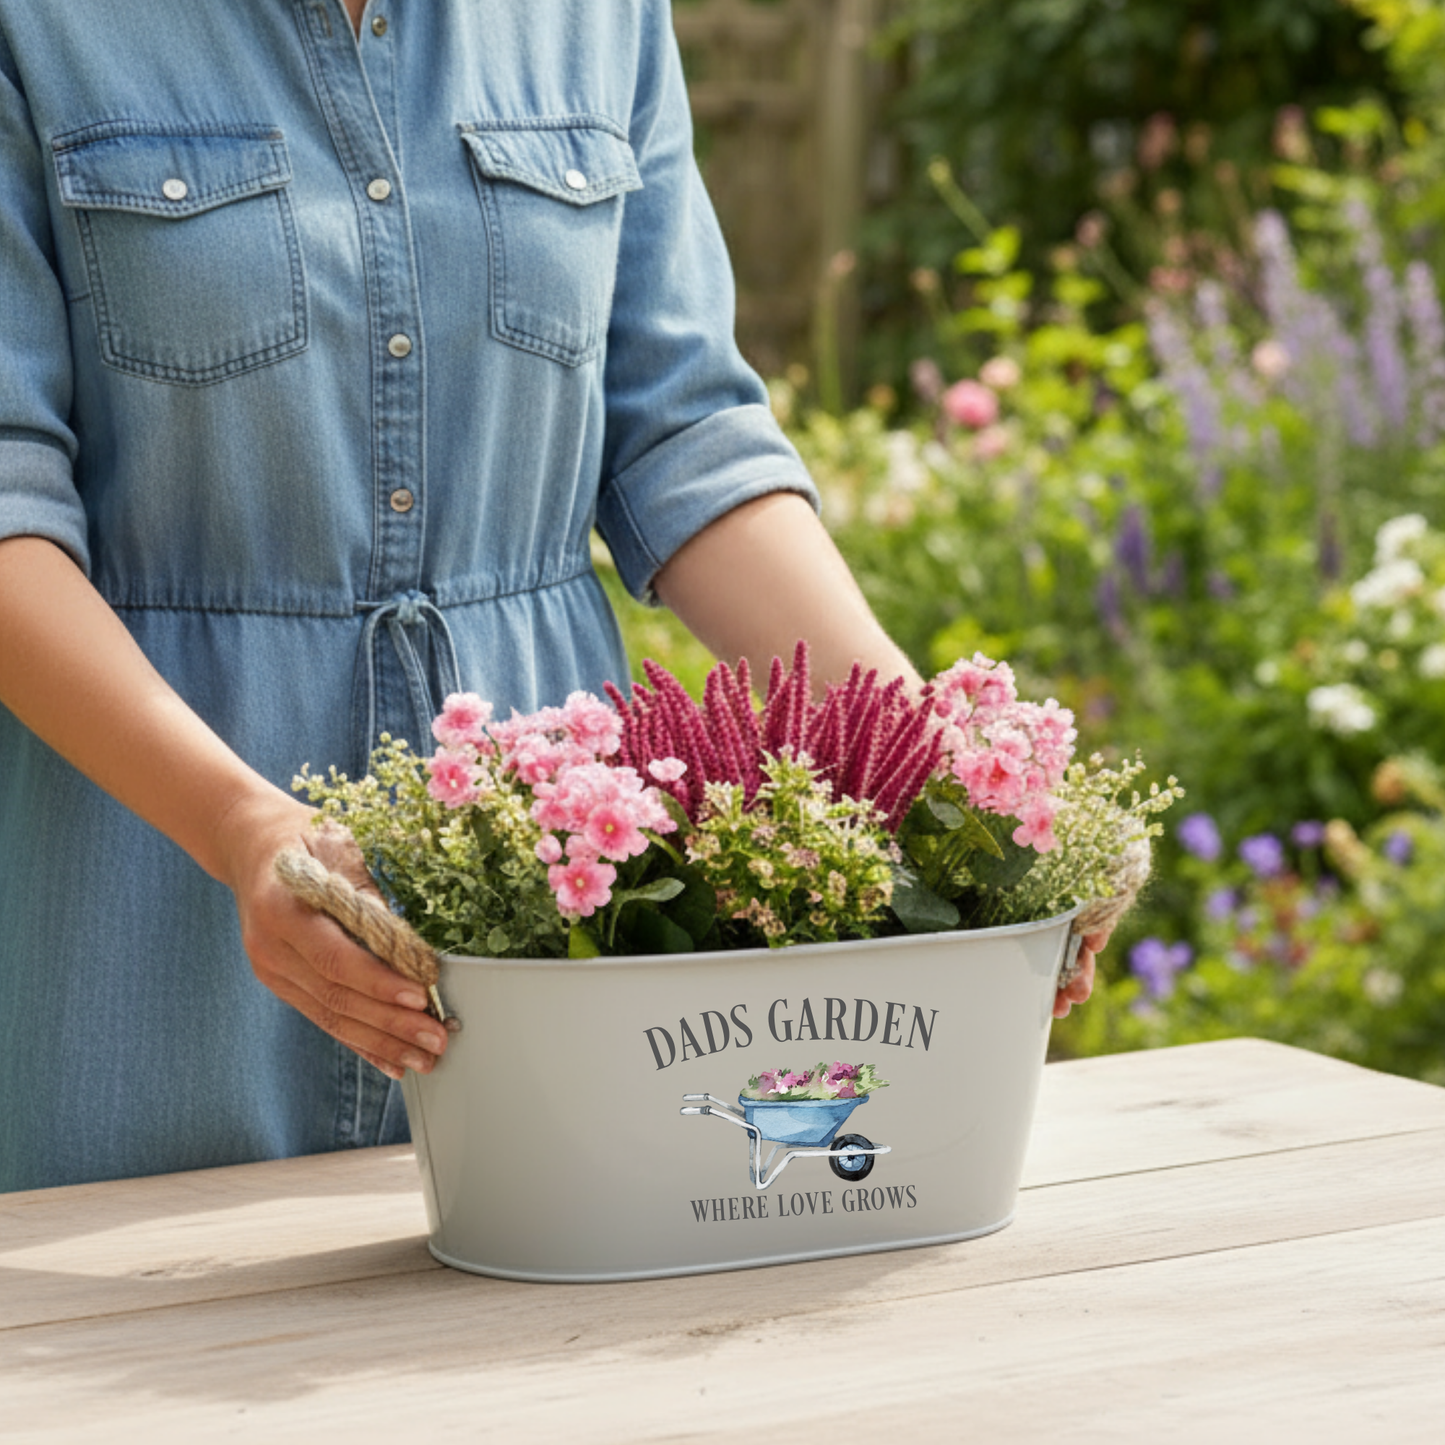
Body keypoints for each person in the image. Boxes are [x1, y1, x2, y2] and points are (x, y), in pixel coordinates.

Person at [0, 0, 1097, 1194]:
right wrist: (244, 829)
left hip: (554, 907)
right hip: (142, 886)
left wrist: (936, 769)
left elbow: (680, 438)